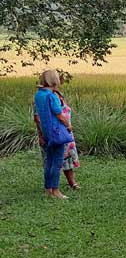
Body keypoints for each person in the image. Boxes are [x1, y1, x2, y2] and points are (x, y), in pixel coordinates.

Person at [33, 70, 73, 199]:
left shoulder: (39, 94)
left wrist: (41, 133)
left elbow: (37, 115)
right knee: (57, 162)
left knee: (49, 161)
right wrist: (68, 126)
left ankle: (48, 189)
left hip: (46, 132)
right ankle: (56, 190)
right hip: (57, 132)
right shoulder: (52, 96)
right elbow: (59, 114)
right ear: (54, 80)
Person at [53, 89, 80, 190]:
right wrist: (68, 125)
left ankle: (72, 183)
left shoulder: (61, 102)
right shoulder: (52, 104)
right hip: (59, 135)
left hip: (68, 135)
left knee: (69, 160)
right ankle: (53, 186)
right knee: (57, 161)